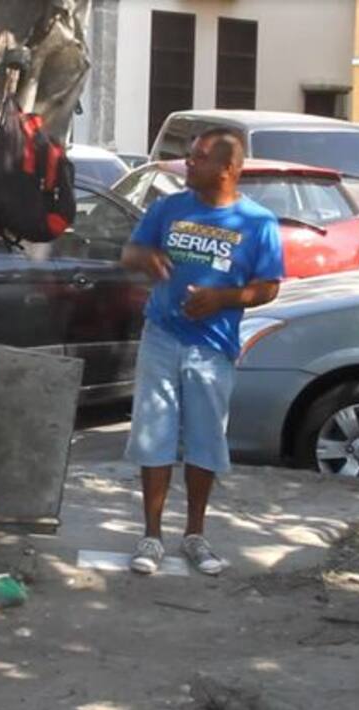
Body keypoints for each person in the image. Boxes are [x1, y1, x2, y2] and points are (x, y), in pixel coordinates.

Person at [120, 128, 284, 576]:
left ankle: (195, 535)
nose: (188, 163)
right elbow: (129, 251)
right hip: (162, 335)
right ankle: (151, 537)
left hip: (212, 347)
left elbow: (268, 287)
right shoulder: (168, 208)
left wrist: (223, 299)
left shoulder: (258, 223)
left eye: (199, 158)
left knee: (204, 440)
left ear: (229, 169)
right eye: (189, 156)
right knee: (154, 435)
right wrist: (146, 259)